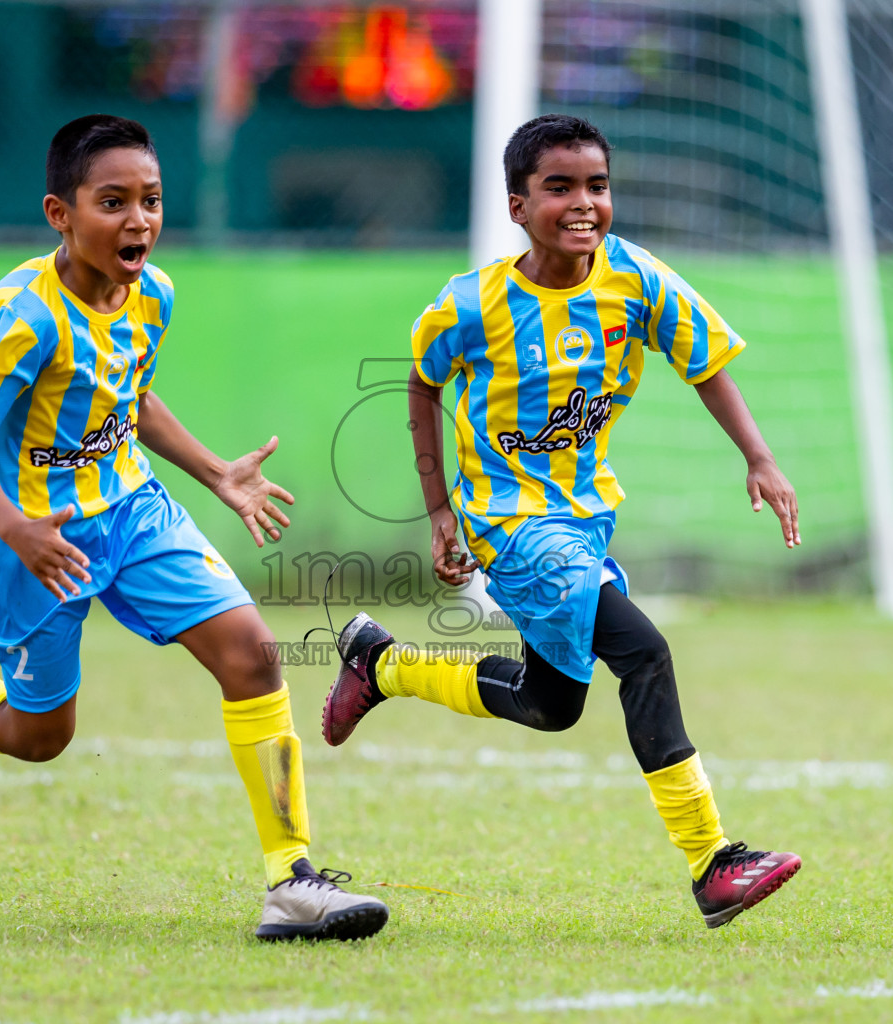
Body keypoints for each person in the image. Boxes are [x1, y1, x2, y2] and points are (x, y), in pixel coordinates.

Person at [0, 114, 386, 942]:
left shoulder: (152, 294)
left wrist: (216, 472)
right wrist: (17, 531)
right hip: (38, 537)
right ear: (61, 214)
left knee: (255, 656)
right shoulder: (24, 317)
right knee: (39, 734)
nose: (139, 221)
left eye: (151, 201)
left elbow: (131, 397)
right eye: (113, 202)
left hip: (134, 510)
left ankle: (290, 881)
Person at [321, 114, 802, 929]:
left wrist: (759, 456)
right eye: (560, 187)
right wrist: (440, 508)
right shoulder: (471, 306)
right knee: (643, 652)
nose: (584, 204)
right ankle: (714, 865)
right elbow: (421, 384)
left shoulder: (636, 280)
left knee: (553, 704)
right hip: (511, 526)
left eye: (598, 186)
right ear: (517, 205)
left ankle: (382, 665)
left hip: (586, 523)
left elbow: (706, 363)